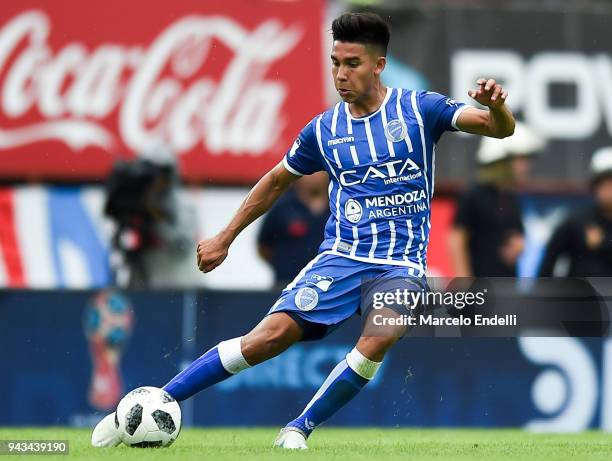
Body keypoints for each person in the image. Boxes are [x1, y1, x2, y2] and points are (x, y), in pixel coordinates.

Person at [92, 12, 514, 449]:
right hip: (341, 258)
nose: (340, 74)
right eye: (335, 62)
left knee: (381, 334)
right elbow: (277, 180)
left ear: (379, 64)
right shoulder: (324, 130)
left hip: (400, 265)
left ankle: (299, 428)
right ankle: (149, 405)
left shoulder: (419, 109)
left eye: (352, 63)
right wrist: (225, 237)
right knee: (267, 339)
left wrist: (497, 106)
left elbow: (496, 129)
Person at [448, 122, 544, 277]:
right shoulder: (473, 195)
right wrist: (464, 281)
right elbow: (457, 238)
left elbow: (516, 236)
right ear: (501, 161)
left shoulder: (511, 197)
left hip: (504, 288)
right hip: (478, 289)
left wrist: (518, 246)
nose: (527, 166)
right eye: (521, 159)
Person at [539, 147, 612, 277]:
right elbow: (551, 256)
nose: (608, 191)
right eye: (602, 185)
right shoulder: (579, 222)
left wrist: (603, 243)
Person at [257, 171, 330, 287]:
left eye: (319, 171)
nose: (314, 176)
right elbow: (264, 246)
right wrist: (283, 266)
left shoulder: (341, 208)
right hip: (287, 285)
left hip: (330, 286)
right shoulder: (282, 207)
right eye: (310, 171)